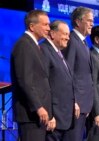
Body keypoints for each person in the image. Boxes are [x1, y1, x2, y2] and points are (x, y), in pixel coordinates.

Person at [10, 10, 51, 141]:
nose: (48, 28)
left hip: (38, 115)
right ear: (32, 26)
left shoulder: (33, 45)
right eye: (45, 25)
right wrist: (38, 107)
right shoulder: (24, 44)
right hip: (30, 114)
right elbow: (25, 81)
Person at [62, 6, 94, 141]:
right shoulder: (71, 40)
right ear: (78, 22)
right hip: (76, 105)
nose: (92, 24)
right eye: (89, 21)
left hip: (84, 104)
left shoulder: (83, 42)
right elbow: (67, 72)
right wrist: (74, 100)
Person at [40, 20, 74, 141]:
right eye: (65, 34)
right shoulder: (44, 50)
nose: (68, 38)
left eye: (68, 35)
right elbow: (43, 85)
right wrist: (50, 114)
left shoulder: (58, 52)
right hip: (53, 117)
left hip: (64, 116)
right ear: (53, 34)